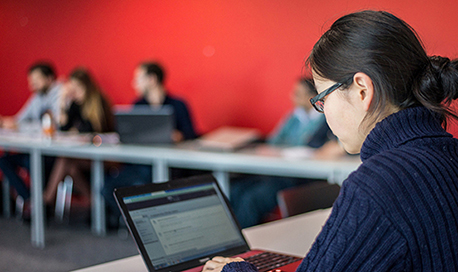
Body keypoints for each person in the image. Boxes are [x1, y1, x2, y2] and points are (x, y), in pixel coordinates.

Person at [203, 10, 458, 272]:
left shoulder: (377, 183)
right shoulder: (449, 154)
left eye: (323, 98)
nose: (323, 112)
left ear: (362, 90)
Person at [230, 78, 337, 228]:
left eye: (298, 93)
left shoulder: (324, 118)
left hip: (300, 177)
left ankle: (241, 246)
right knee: (235, 190)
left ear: (313, 96)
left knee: (252, 199)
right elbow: (275, 141)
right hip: (278, 171)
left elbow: (310, 145)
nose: (293, 97)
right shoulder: (294, 116)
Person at [102, 62, 198, 222]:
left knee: (145, 184)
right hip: (141, 165)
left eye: (138, 79)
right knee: (108, 188)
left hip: (170, 166)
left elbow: (191, 134)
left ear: (152, 79)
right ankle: (140, 224)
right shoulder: (138, 106)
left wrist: (178, 136)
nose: (134, 83)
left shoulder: (178, 105)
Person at [43, 67, 114, 206]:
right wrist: (63, 101)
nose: (74, 91)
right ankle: (95, 204)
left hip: (105, 154)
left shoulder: (99, 101)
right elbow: (64, 128)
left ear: (85, 86)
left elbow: (94, 129)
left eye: (77, 87)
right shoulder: (75, 104)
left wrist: (77, 130)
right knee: (71, 168)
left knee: (65, 161)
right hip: (84, 154)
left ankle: (46, 200)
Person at [0, 62, 62, 203]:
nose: (31, 86)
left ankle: (40, 203)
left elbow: (54, 126)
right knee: (4, 161)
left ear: (49, 78)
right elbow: (19, 120)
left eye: (35, 81)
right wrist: (5, 122)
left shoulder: (61, 94)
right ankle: (31, 201)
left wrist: (20, 126)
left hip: (54, 153)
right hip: (37, 150)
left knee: (32, 162)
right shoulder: (37, 97)